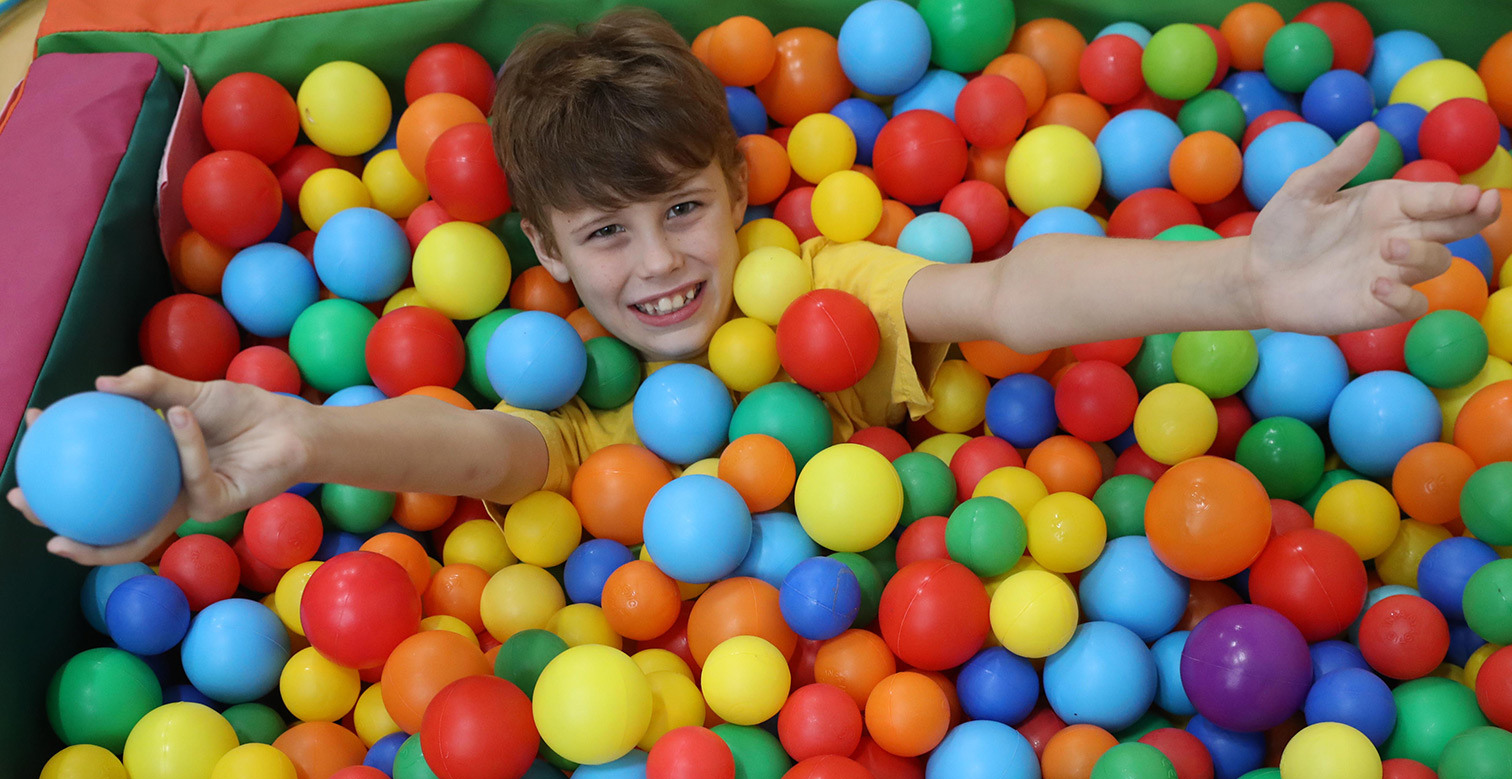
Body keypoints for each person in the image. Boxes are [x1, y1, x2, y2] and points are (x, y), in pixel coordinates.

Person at [8, 8, 1500, 567]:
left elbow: (1002, 296)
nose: (658, 264)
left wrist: (1238, 276)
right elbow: (479, 450)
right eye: (606, 237)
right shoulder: (584, 406)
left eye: (678, 210)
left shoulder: (812, 282)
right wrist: (301, 440)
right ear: (542, 257)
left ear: (735, 197)